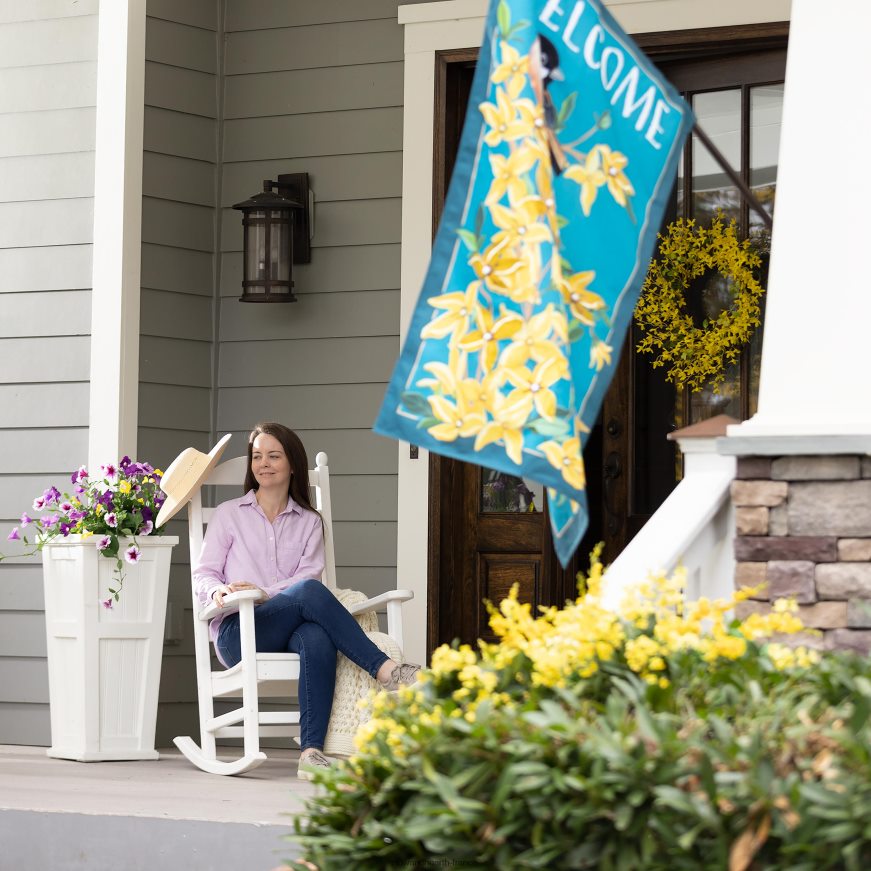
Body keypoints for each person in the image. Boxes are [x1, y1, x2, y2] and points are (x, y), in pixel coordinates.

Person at [193, 422, 420, 780]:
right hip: (238, 631)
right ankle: (386, 670)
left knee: (315, 636)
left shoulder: (310, 522)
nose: (263, 464)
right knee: (311, 592)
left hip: (289, 627)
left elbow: (307, 576)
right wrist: (216, 591)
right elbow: (204, 573)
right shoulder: (229, 514)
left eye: (273, 456)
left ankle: (311, 752)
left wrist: (266, 592)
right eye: (257, 456)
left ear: (293, 464)